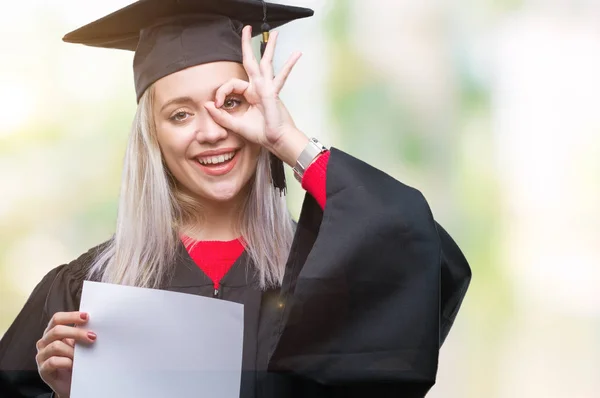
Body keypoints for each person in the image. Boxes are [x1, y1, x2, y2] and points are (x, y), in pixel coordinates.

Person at [0, 0, 471, 397]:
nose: (210, 132)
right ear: (153, 137)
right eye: (180, 115)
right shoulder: (87, 291)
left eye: (232, 103)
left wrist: (289, 141)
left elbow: (420, 253)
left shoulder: (321, 275)